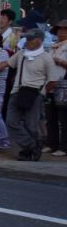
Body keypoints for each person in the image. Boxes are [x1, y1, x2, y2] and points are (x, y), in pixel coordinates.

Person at [0, 29, 57, 161]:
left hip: (35, 94)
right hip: (17, 92)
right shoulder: (21, 53)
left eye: (30, 40)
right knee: (11, 121)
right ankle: (32, 146)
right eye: (27, 39)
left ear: (39, 41)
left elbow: (52, 80)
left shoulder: (46, 58)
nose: (27, 42)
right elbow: (5, 64)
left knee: (31, 125)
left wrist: (42, 94)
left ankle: (29, 152)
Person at [45, 20, 67, 156]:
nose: (62, 32)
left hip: (64, 86)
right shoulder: (52, 47)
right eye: (60, 30)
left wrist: (60, 61)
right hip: (51, 85)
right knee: (50, 117)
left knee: (64, 119)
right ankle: (51, 144)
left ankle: (64, 147)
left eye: (65, 30)